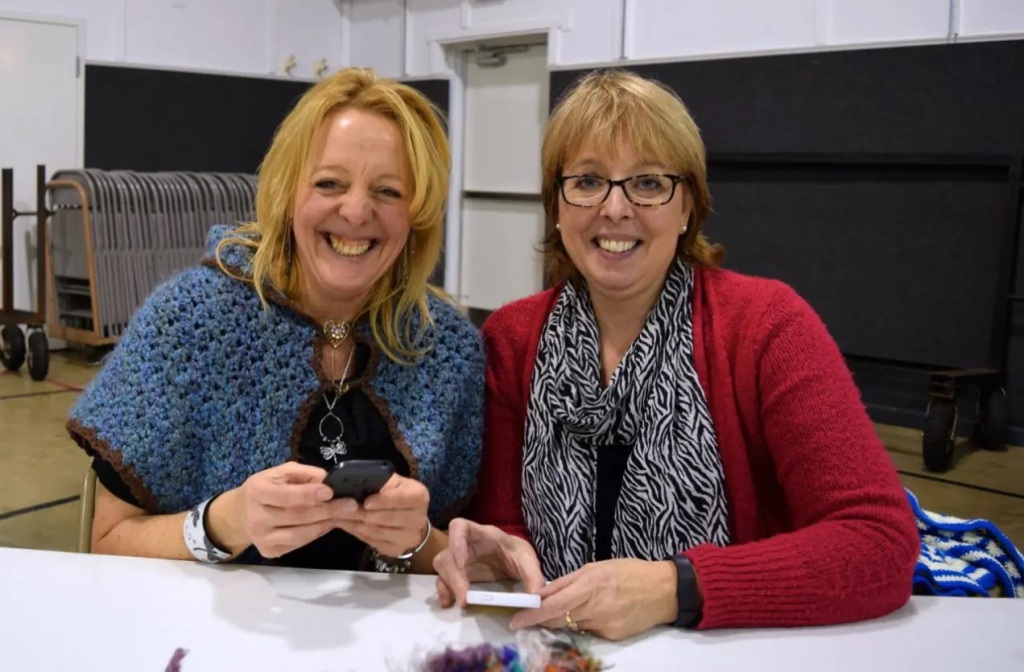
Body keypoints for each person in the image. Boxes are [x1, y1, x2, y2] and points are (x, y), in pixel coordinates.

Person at [433, 69, 920, 638]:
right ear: (557, 206)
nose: (615, 208)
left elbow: (879, 542)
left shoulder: (766, 327)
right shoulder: (512, 338)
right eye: (587, 181)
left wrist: (676, 587)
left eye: (647, 183)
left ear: (687, 205)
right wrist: (495, 555)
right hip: (557, 648)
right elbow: (508, 526)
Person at [67, 67, 484, 574]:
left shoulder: (445, 350)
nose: (356, 212)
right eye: (329, 183)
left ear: (418, 214)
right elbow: (107, 541)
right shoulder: (188, 323)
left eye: (388, 191)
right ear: (286, 194)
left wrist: (417, 542)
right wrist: (224, 522)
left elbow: (463, 558)